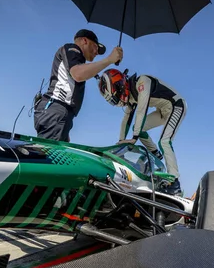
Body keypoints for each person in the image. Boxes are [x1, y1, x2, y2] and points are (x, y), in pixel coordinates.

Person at [97, 68, 186, 196]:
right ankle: (156, 153)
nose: (120, 102)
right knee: (138, 128)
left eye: (116, 97)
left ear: (120, 86)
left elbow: (142, 110)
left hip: (176, 106)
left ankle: (174, 183)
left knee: (165, 141)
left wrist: (134, 138)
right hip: (162, 110)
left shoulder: (143, 82)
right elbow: (126, 119)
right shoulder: (131, 98)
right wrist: (120, 142)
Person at [33, 29, 123, 142]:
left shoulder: (74, 57)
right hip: (57, 110)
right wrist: (109, 59)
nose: (97, 52)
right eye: (96, 47)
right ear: (85, 41)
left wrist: (65, 127)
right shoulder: (73, 49)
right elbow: (78, 74)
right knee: (47, 157)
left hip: (57, 113)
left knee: (54, 156)